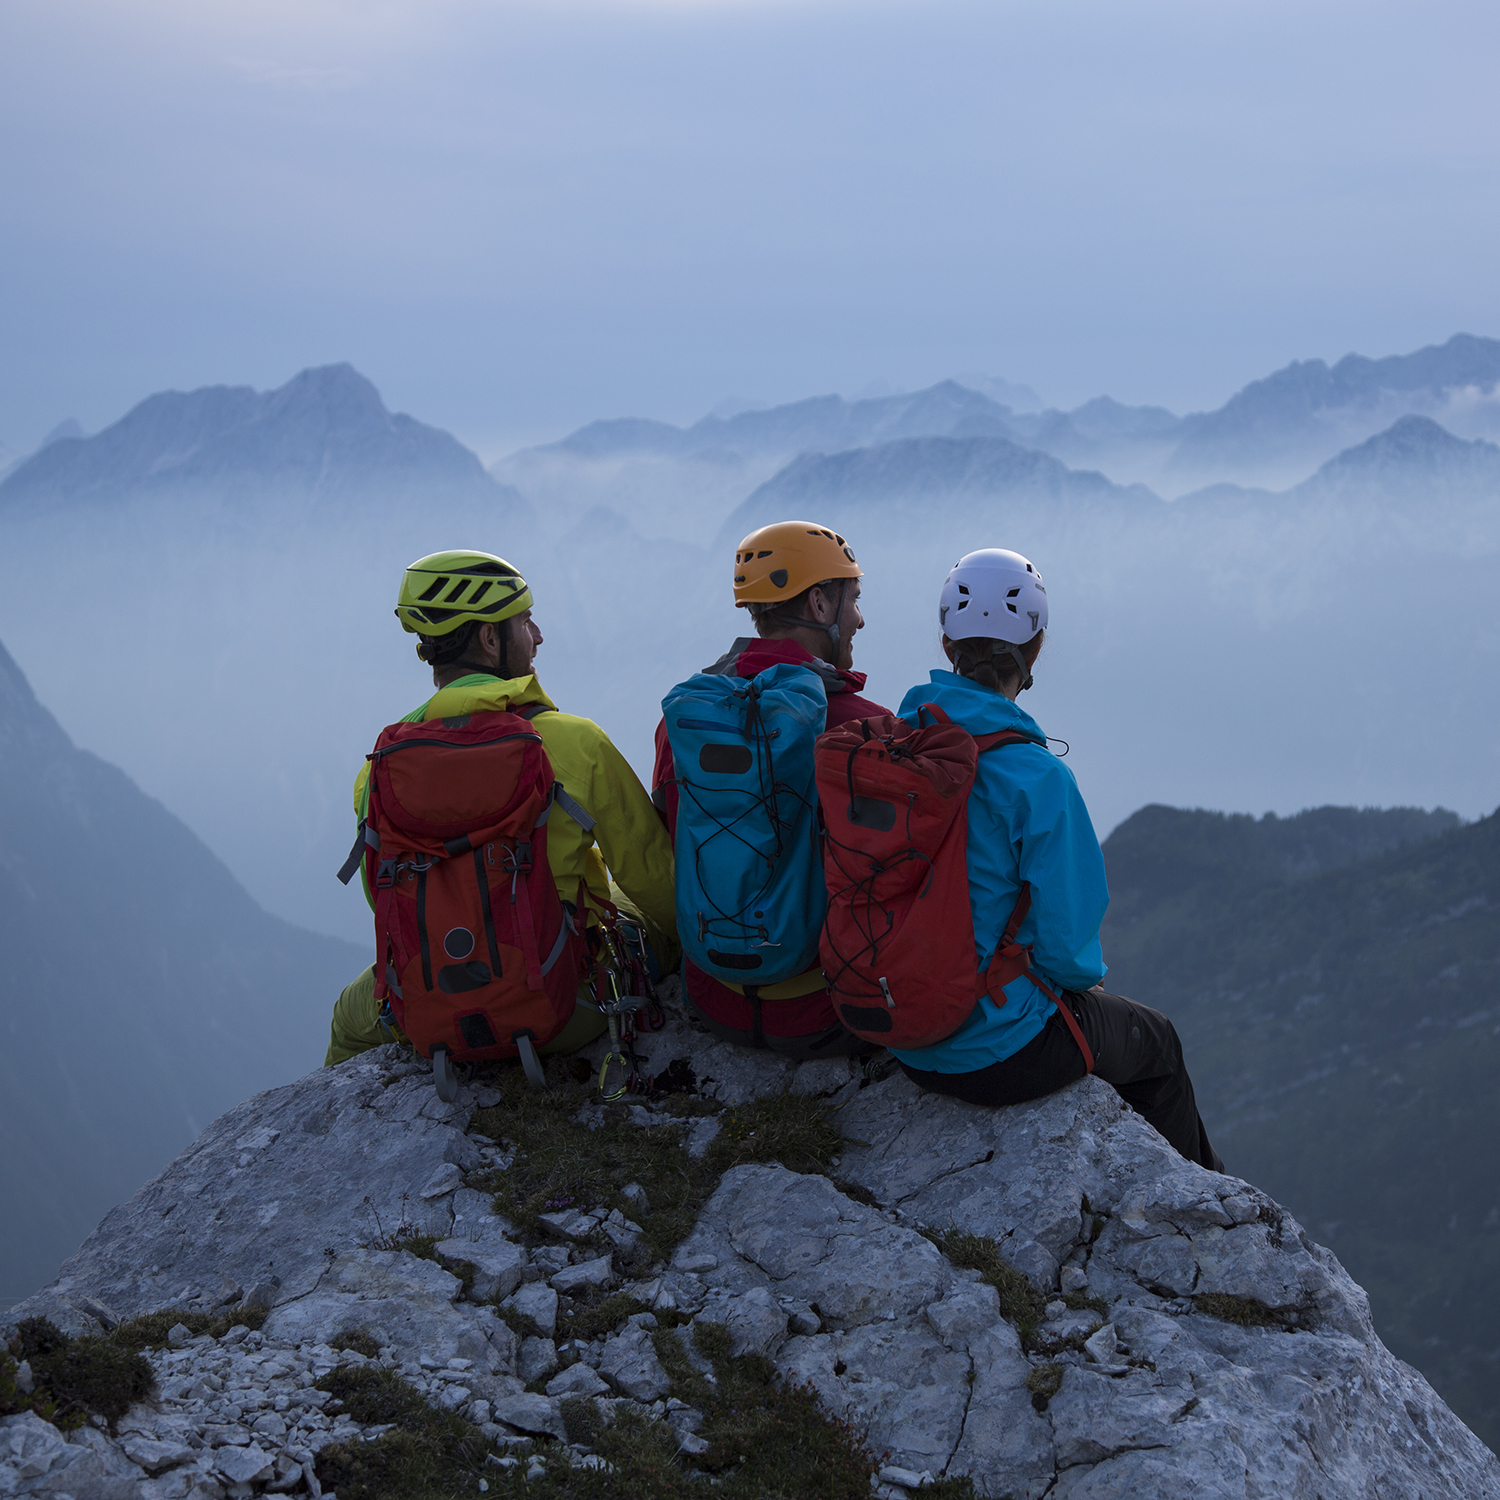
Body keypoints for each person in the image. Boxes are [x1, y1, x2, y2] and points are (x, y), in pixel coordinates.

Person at [890, 548, 1222, 1170]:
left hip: (897, 1024)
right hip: (994, 1049)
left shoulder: (893, 745)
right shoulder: (1035, 777)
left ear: (946, 644)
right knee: (1157, 1042)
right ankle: (1206, 1208)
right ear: (1036, 649)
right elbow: (1071, 955)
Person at [324, 549, 677, 1067]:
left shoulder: (381, 768)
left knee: (348, 1019)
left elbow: (386, 902)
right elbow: (655, 879)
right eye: (524, 621)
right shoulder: (573, 743)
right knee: (633, 903)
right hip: (563, 1007)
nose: (537, 637)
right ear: (490, 639)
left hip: (435, 1011)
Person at [652, 520, 892, 1058]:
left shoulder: (684, 727)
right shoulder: (868, 730)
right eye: (852, 599)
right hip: (824, 1012)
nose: (858, 618)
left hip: (715, 1003)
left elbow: (672, 836)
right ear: (818, 605)